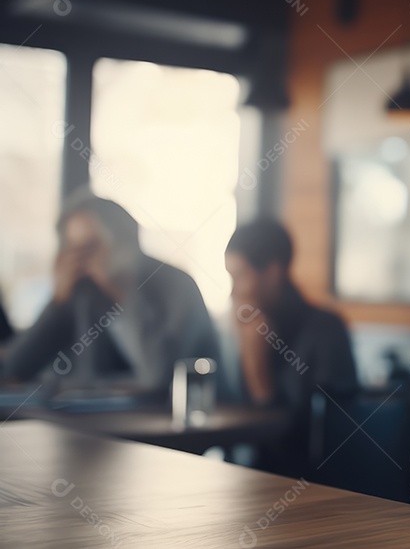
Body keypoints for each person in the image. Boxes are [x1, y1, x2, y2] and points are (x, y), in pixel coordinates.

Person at [1, 190, 219, 395]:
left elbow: (161, 379)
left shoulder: (175, 286)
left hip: (186, 413)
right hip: (104, 417)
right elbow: (15, 368)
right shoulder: (84, 289)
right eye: (73, 249)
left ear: (123, 243)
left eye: (91, 247)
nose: (80, 260)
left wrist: (123, 294)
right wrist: (58, 301)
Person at [225, 218, 359, 476]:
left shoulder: (326, 330)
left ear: (273, 273)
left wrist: (257, 364)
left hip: (312, 484)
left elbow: (309, 441)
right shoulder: (250, 329)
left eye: (239, 277)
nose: (233, 293)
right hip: (253, 477)